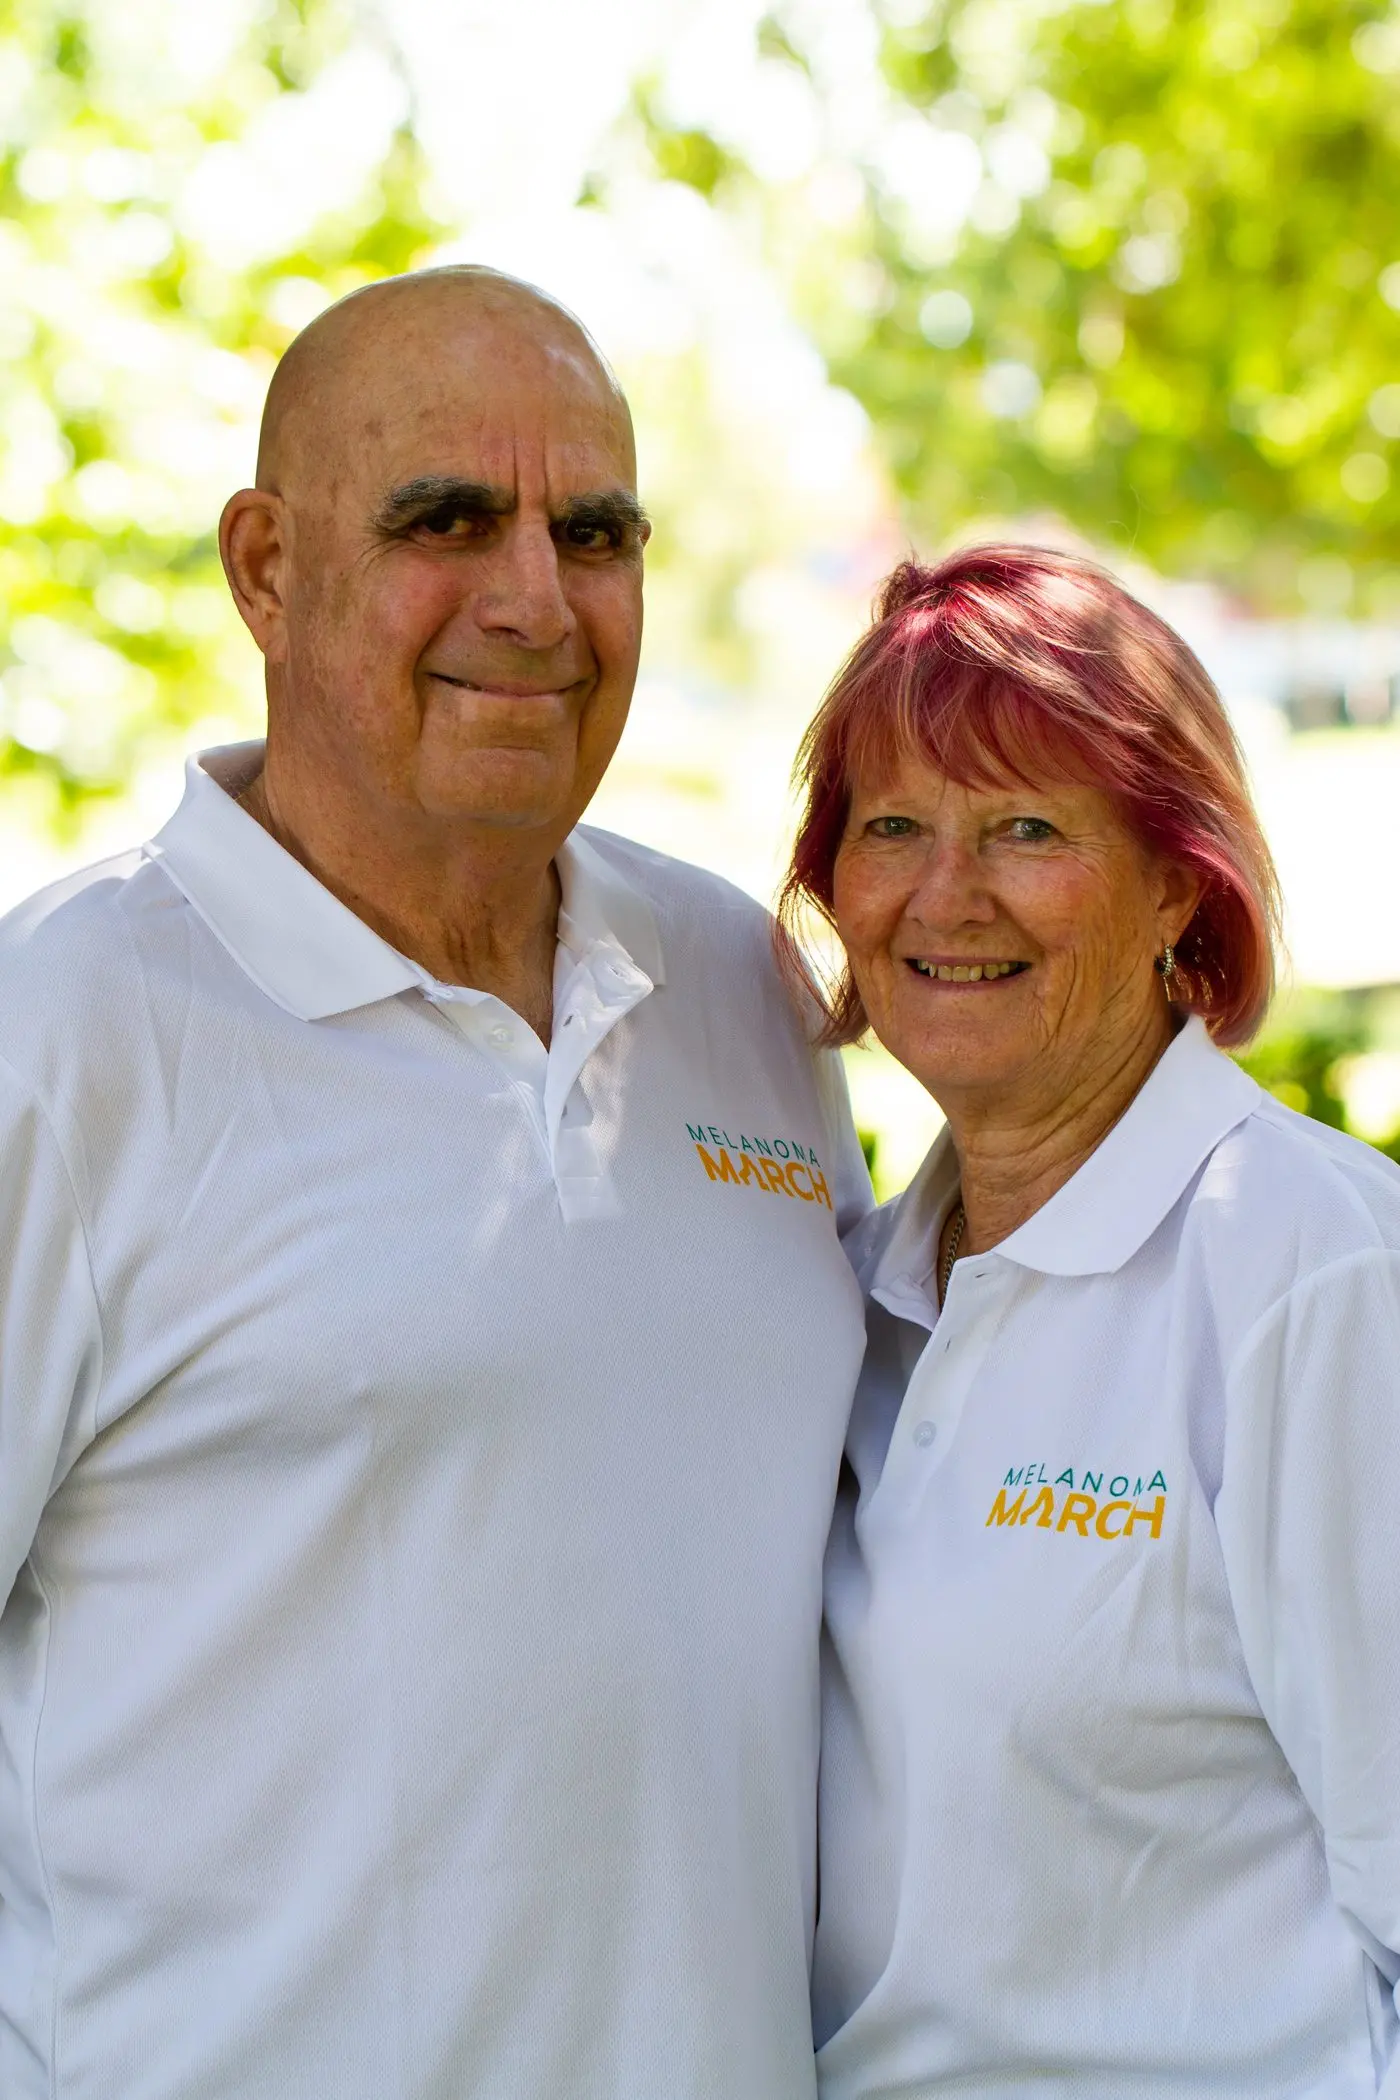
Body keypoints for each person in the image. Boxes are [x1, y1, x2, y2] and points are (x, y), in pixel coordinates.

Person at [0, 267, 871, 2100]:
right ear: (264, 568)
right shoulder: (56, 1039)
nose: (538, 600)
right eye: (447, 521)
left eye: (598, 529)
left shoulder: (742, 991)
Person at [783, 544, 1400, 2098]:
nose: (946, 893)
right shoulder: (839, 1288)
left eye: (1028, 830)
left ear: (1178, 882)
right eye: (895, 827)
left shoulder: (1311, 1273)